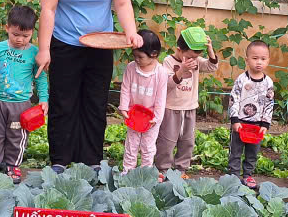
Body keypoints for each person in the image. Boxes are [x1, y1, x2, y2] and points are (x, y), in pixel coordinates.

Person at [37, 0, 143, 168]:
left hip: (100, 47)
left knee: (95, 102)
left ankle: (92, 160)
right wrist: (44, 49)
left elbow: (122, 4)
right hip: (64, 45)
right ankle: (60, 160)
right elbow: (48, 10)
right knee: (63, 102)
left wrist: (131, 32)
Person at [0, 5, 49, 184]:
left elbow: (40, 78)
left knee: (17, 135)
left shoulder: (35, 53)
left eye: (25, 36)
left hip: (21, 105)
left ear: (32, 33)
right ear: (7, 28)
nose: (20, 39)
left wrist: (44, 99)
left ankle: (13, 165)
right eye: (15, 34)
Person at [155, 31, 219, 174]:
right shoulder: (168, 62)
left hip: (190, 108)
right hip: (171, 108)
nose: (193, 60)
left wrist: (210, 50)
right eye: (190, 57)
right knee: (167, 141)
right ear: (179, 50)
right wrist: (182, 70)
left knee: (187, 141)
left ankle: (181, 169)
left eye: (196, 57)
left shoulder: (196, 60)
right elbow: (167, 84)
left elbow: (212, 67)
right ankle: (162, 169)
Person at [117, 30, 169, 173]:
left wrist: (157, 118)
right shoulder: (131, 68)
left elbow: (161, 98)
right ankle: (127, 171)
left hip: (151, 118)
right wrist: (124, 107)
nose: (137, 60)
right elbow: (125, 88)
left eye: (140, 57)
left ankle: (146, 173)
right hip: (134, 115)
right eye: (134, 56)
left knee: (148, 147)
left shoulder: (161, 73)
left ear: (154, 54)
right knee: (131, 145)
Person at [227, 39, 276, 188]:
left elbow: (269, 103)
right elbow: (234, 99)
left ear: (268, 60)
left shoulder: (268, 82)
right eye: (255, 58)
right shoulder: (241, 80)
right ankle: (234, 175)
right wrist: (234, 119)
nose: (259, 62)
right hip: (240, 123)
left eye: (263, 59)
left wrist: (265, 123)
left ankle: (248, 174)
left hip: (257, 125)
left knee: (252, 152)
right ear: (247, 60)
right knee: (235, 150)